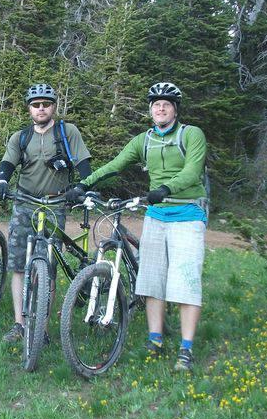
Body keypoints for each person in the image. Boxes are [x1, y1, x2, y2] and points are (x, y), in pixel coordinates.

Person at [68, 82, 208, 372]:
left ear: (175, 110)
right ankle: (155, 339)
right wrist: (84, 184)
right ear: (150, 110)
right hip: (157, 215)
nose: (160, 108)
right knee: (152, 280)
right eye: (156, 104)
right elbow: (115, 165)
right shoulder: (143, 140)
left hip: (188, 214)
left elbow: (192, 171)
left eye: (166, 104)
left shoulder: (191, 134)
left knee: (186, 280)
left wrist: (167, 187)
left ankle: (186, 348)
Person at [0, 84, 92, 343]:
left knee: (47, 267)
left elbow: (83, 163)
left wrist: (83, 186)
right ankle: (19, 324)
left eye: (46, 104)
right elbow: (7, 163)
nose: (41, 108)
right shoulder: (20, 137)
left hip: (55, 205)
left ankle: (42, 329)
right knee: (18, 266)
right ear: (30, 108)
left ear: (54, 107)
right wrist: (2, 180)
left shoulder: (67, 132)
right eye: (36, 104)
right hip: (24, 203)